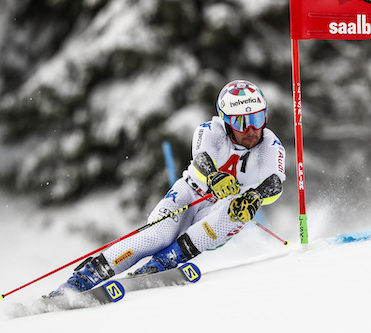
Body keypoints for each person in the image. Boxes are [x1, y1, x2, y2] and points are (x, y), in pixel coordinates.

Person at [49, 79, 286, 296]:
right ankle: (85, 277)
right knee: (156, 236)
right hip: (191, 192)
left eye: (257, 119)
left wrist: (255, 196)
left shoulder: (269, 144)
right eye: (241, 123)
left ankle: (166, 261)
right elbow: (202, 158)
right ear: (225, 120)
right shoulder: (211, 130)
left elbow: (274, 183)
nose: (251, 130)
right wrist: (214, 176)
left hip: (221, 207)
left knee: (239, 210)